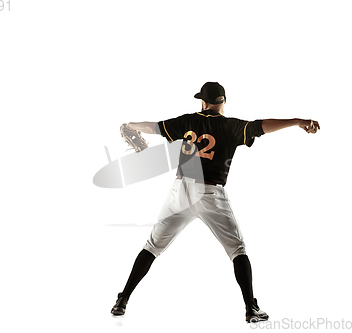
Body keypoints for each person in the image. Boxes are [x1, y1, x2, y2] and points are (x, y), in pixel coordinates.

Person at [111, 82, 320, 323]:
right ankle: (251, 308)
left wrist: (129, 126)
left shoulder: (187, 121)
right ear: (224, 101)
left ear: (203, 101)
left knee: (152, 246)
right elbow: (262, 126)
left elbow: (155, 127)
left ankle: (123, 299)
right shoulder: (231, 126)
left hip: (180, 191)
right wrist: (296, 121)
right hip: (210, 193)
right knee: (237, 250)